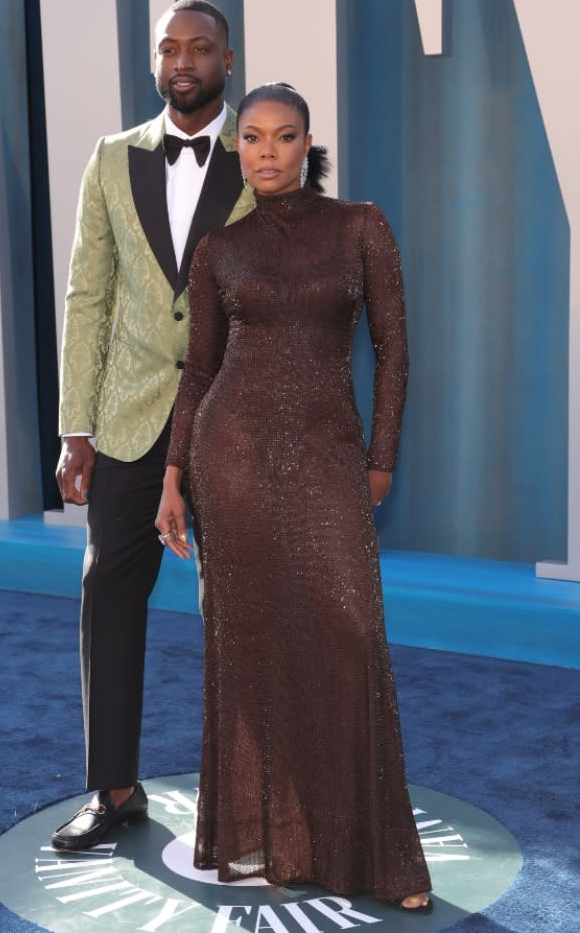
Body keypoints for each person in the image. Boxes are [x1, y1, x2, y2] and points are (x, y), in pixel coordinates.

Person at [155, 83, 433, 912]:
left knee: (348, 635)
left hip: (325, 457)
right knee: (254, 648)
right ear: (236, 148)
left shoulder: (360, 226)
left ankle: (377, 859)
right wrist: (173, 476)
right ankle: (278, 839)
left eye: (283, 137)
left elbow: (394, 349)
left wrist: (378, 459)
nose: (266, 151)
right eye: (251, 138)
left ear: (308, 143)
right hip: (228, 457)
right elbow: (198, 371)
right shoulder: (219, 248)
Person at [51, 0, 253, 852]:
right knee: (106, 594)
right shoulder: (109, 158)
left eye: (199, 48)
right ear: (154, 60)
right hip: (131, 419)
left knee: (240, 606)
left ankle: (253, 797)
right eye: (169, 47)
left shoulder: (268, 147)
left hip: (235, 420)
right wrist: (75, 426)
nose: (182, 60)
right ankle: (114, 789)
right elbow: (87, 296)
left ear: (227, 61)